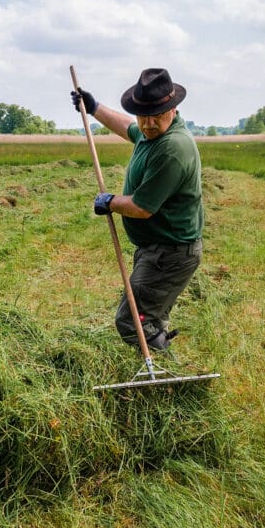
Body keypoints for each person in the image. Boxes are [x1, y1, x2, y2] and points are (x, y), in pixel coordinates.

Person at [71, 68, 204, 352]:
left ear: (173, 108)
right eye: (143, 116)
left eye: (156, 115)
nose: (148, 124)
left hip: (170, 253)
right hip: (158, 249)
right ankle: (158, 355)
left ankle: (161, 372)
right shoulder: (150, 131)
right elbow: (127, 127)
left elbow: (142, 208)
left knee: (133, 321)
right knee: (147, 317)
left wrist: (109, 202)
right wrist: (94, 108)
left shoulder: (173, 148)